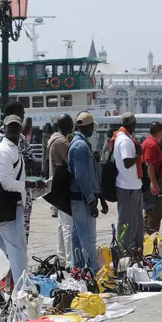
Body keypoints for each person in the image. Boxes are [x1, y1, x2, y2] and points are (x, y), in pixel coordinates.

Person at [0, 115, 44, 285]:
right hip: (8, 206)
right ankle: (22, 289)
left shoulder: (13, 148)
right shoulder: (4, 151)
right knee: (17, 250)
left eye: (16, 126)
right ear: (4, 129)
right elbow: (4, 182)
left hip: (9, 205)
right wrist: (29, 184)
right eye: (10, 127)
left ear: (21, 130)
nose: (13, 130)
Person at [0, 101, 41, 243]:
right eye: (21, 113)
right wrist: (20, 159)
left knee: (23, 233)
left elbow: (32, 160)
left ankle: (17, 262)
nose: (23, 116)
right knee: (4, 237)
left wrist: (20, 159)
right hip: (5, 196)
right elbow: (3, 165)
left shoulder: (21, 137)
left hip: (22, 193)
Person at [68, 112, 107, 271]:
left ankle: (77, 269)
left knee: (77, 237)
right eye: (91, 127)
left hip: (82, 197)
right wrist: (92, 201)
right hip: (82, 199)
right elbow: (82, 176)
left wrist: (100, 197)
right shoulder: (80, 146)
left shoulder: (81, 144)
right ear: (87, 126)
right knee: (88, 237)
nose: (93, 130)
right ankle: (92, 271)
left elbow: (91, 176)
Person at [111, 112, 145, 250]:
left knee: (137, 223)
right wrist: (139, 155)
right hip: (127, 187)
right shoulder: (124, 140)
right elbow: (126, 162)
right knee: (127, 223)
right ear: (133, 124)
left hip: (133, 185)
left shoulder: (125, 137)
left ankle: (136, 251)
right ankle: (124, 252)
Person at [48, 114, 74, 271]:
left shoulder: (53, 140)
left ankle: (62, 259)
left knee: (61, 225)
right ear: (67, 125)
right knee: (68, 226)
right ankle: (71, 262)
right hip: (64, 188)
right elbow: (71, 160)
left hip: (56, 187)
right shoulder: (61, 142)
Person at [142, 122, 162, 235]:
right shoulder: (152, 145)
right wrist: (154, 183)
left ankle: (147, 238)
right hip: (153, 183)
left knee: (149, 212)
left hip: (151, 181)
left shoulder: (148, 142)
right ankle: (151, 238)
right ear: (160, 132)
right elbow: (149, 165)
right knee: (155, 213)